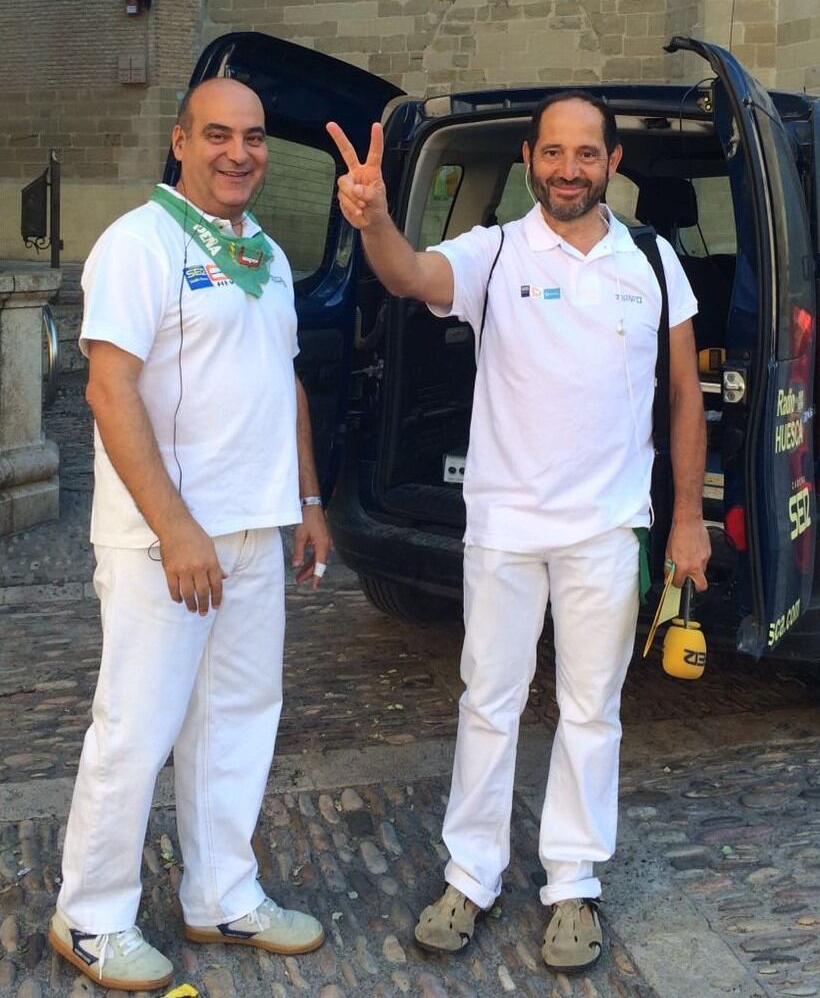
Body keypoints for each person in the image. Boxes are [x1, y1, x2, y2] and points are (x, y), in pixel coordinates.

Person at [327, 90, 710, 971]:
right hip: (503, 524)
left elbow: (686, 395)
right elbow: (409, 276)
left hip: (608, 529)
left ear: (613, 163)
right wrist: (376, 218)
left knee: (591, 711)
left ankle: (573, 885)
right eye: (552, 153)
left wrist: (686, 517)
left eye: (586, 154)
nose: (568, 169)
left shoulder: (652, 261)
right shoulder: (494, 253)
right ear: (531, 159)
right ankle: (471, 876)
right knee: (488, 704)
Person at [49, 78, 332, 992]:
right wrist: (175, 527)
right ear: (180, 141)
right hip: (162, 542)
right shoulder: (140, 243)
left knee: (240, 722)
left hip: (254, 531)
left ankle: (222, 895)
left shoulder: (267, 255)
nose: (239, 153)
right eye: (218, 135)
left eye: (253, 137)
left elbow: (281, 382)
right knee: (137, 727)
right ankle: (89, 917)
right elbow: (108, 390)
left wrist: (309, 501)